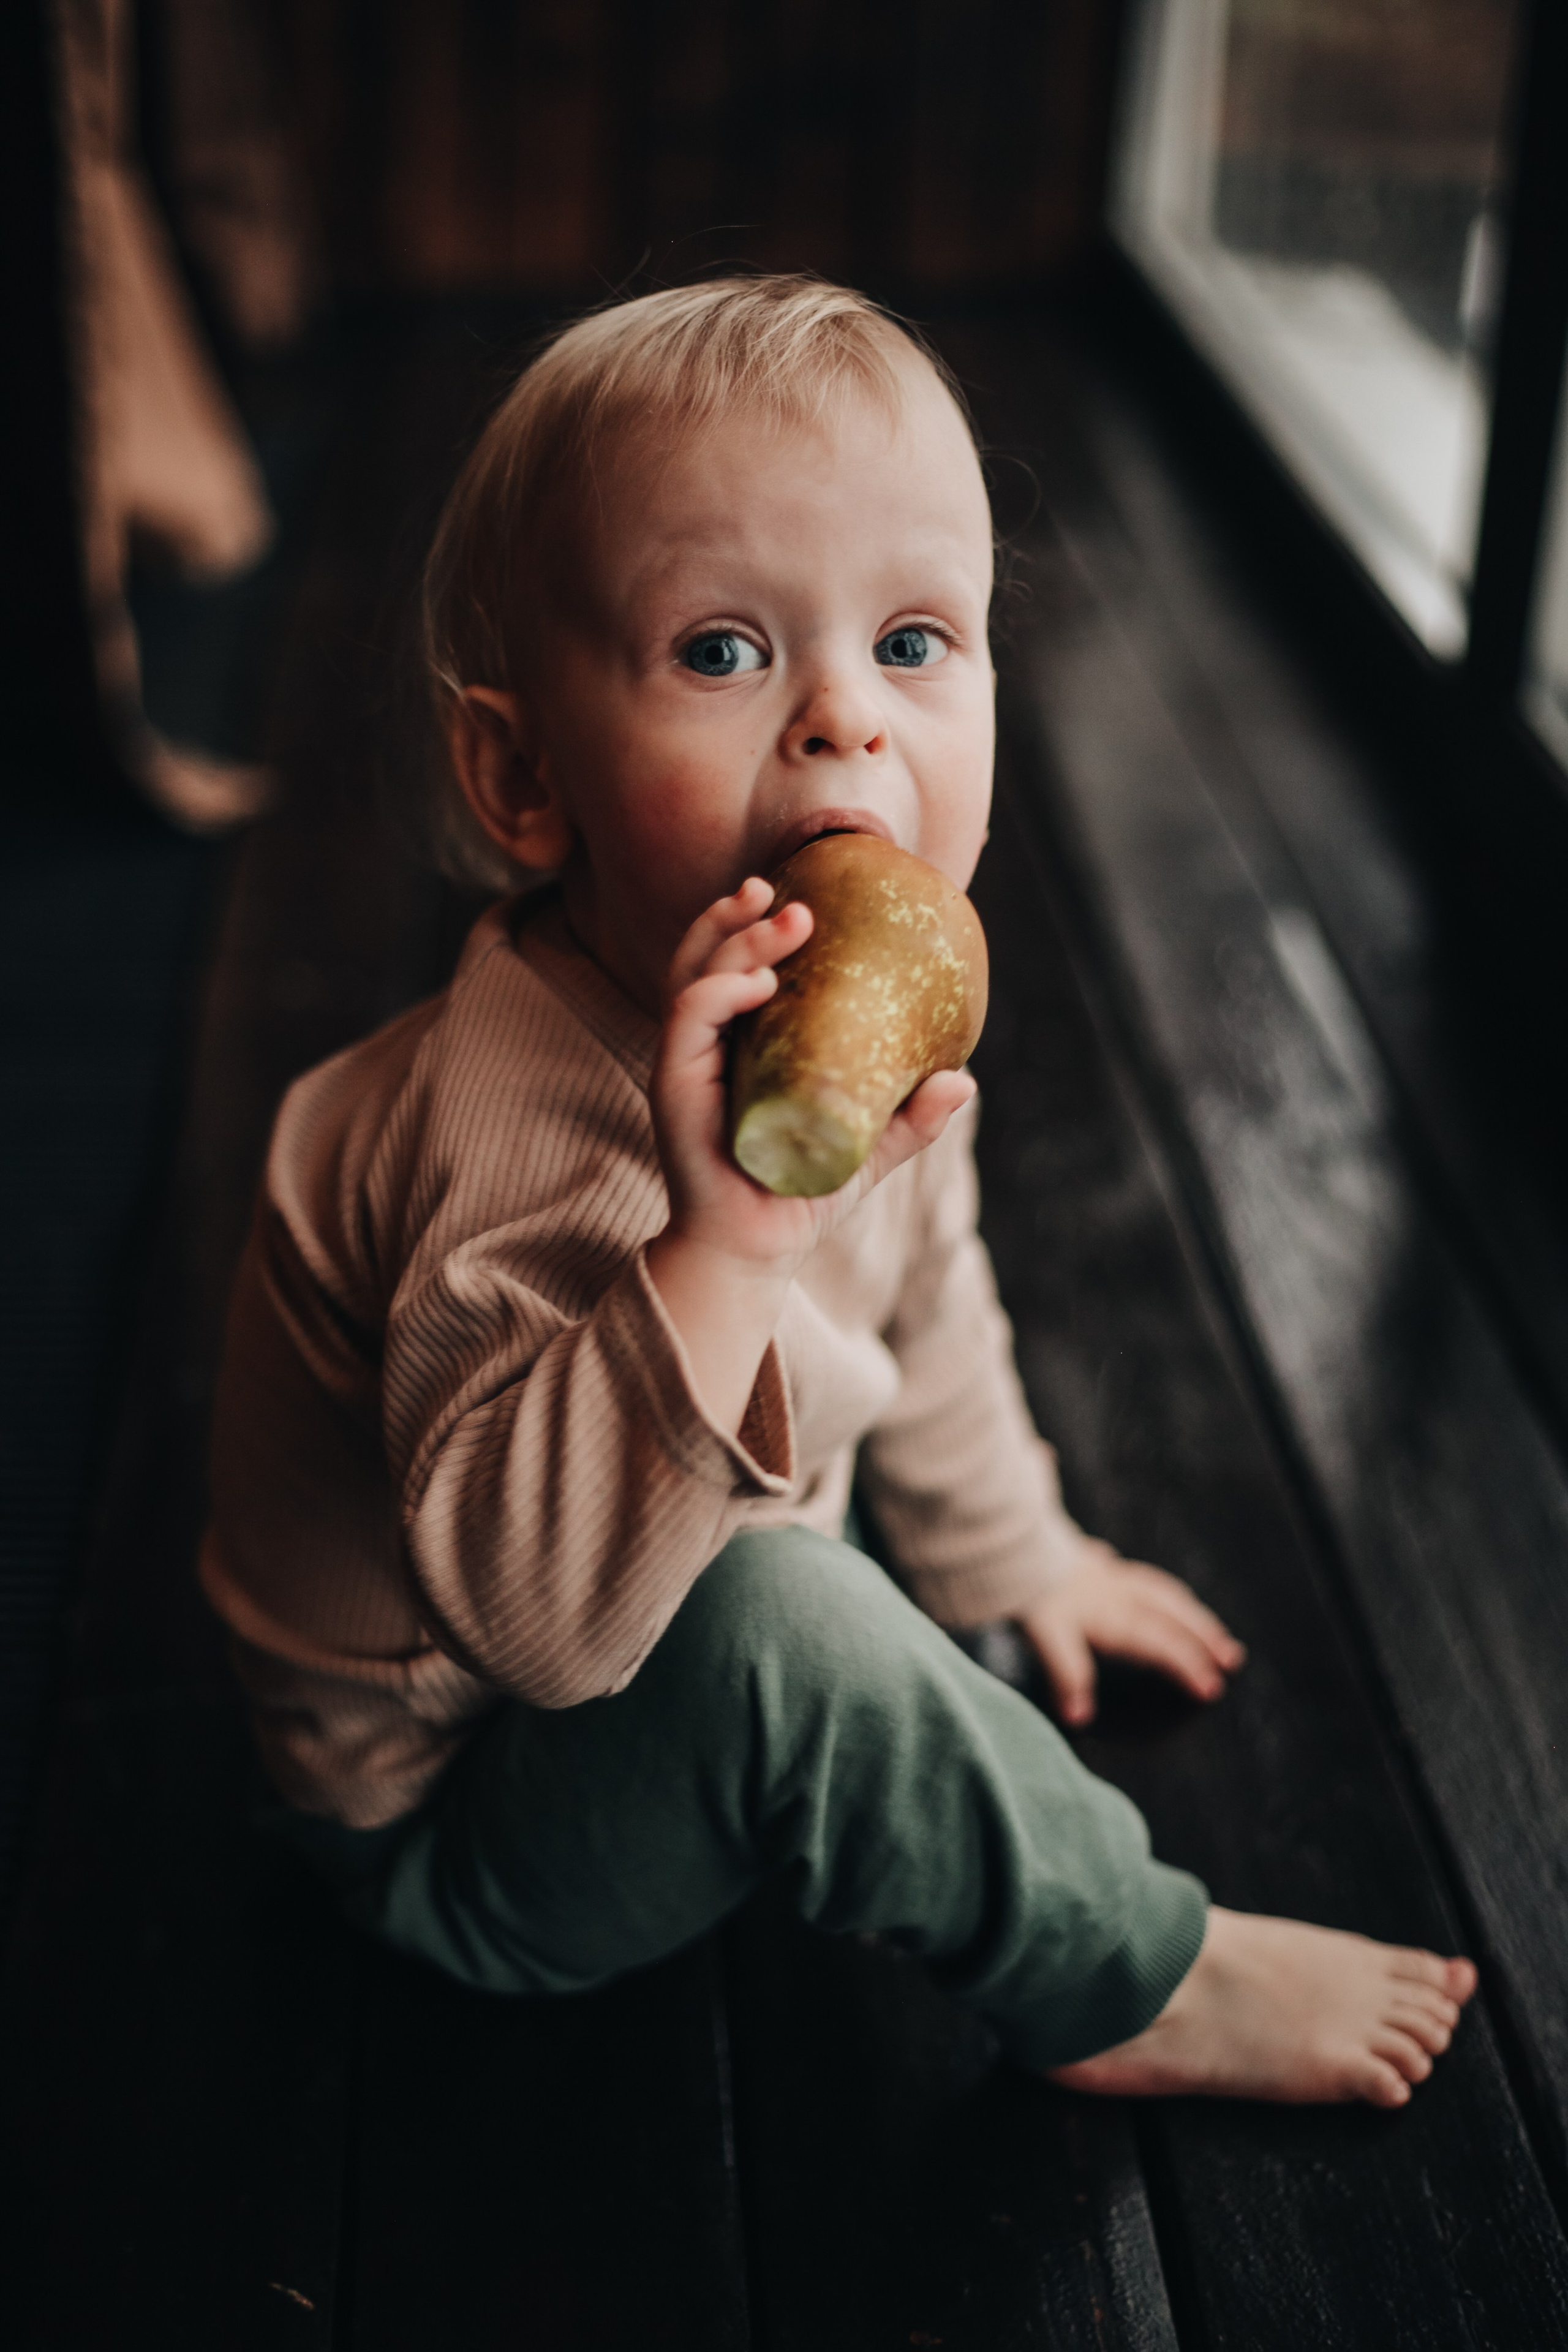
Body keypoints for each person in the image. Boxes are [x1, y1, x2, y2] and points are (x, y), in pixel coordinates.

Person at [205, 275, 1474, 2106]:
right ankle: (1123, 1971)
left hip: (654, 1634)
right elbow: (544, 1635)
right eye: (723, 652)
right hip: (462, 1815)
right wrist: (721, 1247)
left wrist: (1013, 1552)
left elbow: (923, 1288)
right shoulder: (509, 1145)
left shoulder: (816, 1029)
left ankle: (914, 1625)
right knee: (787, 1636)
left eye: (913, 641)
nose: (842, 727)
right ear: (522, 775)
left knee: (817, 1578)